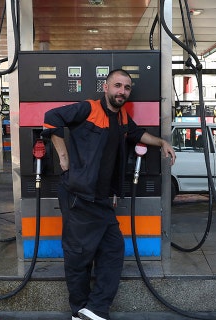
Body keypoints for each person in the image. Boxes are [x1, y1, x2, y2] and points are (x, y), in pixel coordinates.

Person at [43, 69, 176, 320]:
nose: (122, 92)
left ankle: (93, 309)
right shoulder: (88, 109)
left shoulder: (122, 117)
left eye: (126, 88)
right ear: (105, 87)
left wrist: (162, 143)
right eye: (117, 86)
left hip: (102, 200)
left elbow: (137, 134)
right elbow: (51, 118)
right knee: (79, 255)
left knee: (113, 249)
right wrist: (63, 156)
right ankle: (79, 309)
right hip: (79, 196)